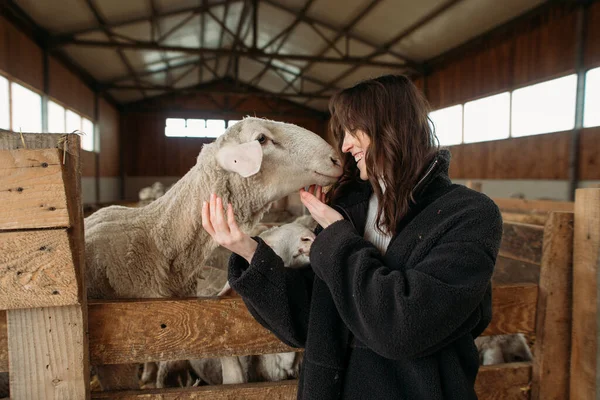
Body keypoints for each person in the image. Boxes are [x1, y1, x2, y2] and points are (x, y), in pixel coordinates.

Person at [201, 74, 503, 400]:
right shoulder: (348, 211)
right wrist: (249, 252)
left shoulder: (467, 214)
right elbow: (307, 323)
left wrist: (337, 240)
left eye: (352, 130)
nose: (344, 145)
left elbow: (403, 328)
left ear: (390, 125)